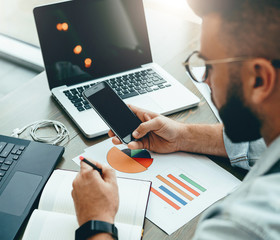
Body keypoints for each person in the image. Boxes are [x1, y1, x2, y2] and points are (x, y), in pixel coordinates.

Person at [71, 0, 280, 239]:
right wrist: (183, 136)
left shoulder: (242, 227)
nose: (206, 81)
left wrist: (96, 221)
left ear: (259, 80)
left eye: (209, 66)